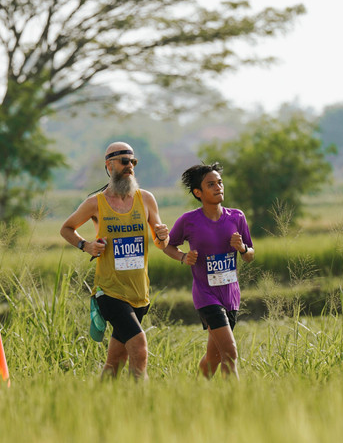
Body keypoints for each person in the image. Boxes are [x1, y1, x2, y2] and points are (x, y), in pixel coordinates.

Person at [60, 142, 170, 380]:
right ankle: (140, 407)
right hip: (109, 292)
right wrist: (86, 245)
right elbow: (66, 228)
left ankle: (101, 403)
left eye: (133, 162)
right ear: (109, 166)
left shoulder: (147, 199)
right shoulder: (95, 203)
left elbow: (160, 242)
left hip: (139, 293)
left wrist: (163, 236)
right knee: (139, 349)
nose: (130, 166)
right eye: (124, 161)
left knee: (115, 360)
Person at [163, 162, 254, 380]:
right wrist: (184, 257)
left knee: (213, 357)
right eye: (211, 184)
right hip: (206, 295)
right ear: (198, 192)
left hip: (231, 295)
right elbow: (167, 245)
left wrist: (241, 248)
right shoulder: (189, 220)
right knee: (230, 353)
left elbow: (250, 255)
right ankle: (234, 403)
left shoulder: (237, 217)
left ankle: (196, 388)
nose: (218, 187)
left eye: (220, 183)